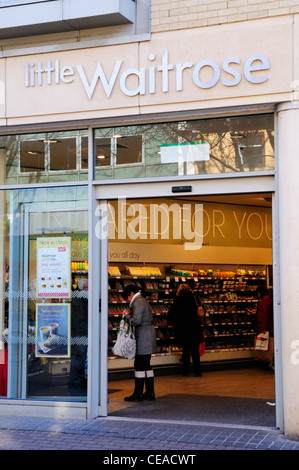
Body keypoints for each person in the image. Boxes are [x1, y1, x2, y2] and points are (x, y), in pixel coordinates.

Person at [122, 284, 157, 401]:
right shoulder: (142, 301)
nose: (128, 300)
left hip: (143, 337)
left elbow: (136, 321)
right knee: (146, 365)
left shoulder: (138, 302)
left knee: (139, 364)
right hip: (147, 336)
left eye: (127, 297)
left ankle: (138, 393)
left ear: (131, 294)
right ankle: (149, 392)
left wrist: (127, 316)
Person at [168, 283, 203, 376]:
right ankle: (197, 371)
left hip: (183, 327)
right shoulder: (195, 298)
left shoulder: (178, 299)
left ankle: (185, 371)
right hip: (194, 326)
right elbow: (202, 311)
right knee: (195, 351)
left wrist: (173, 320)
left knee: (186, 350)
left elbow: (170, 313)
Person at [255, 285, 274, 371]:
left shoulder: (266, 301)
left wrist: (264, 328)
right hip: (264, 326)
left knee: (269, 345)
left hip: (265, 326)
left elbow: (266, 315)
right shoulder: (265, 300)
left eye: (258, 293)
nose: (257, 295)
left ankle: (271, 362)